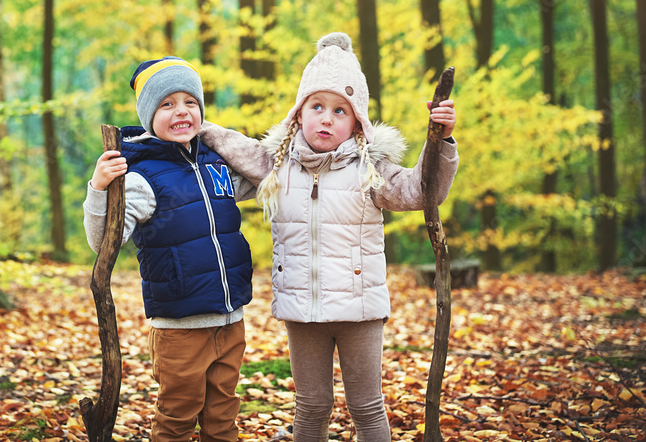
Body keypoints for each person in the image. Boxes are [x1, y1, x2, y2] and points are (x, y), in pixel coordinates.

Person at [199, 33, 459, 442]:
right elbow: (239, 147)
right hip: (302, 311)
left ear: (357, 121)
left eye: (340, 111)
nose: (326, 118)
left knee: (367, 406)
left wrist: (439, 142)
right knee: (312, 405)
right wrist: (201, 128)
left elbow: (421, 191)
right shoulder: (278, 164)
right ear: (298, 113)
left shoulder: (371, 169)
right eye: (316, 106)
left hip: (360, 310)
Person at [82, 56, 258, 442]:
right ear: (149, 115)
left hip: (230, 319)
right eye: (167, 104)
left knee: (223, 415)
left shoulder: (216, 164)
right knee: (177, 417)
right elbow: (103, 241)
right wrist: (98, 189)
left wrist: (224, 138)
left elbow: (266, 177)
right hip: (180, 326)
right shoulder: (143, 177)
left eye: (190, 102)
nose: (181, 111)